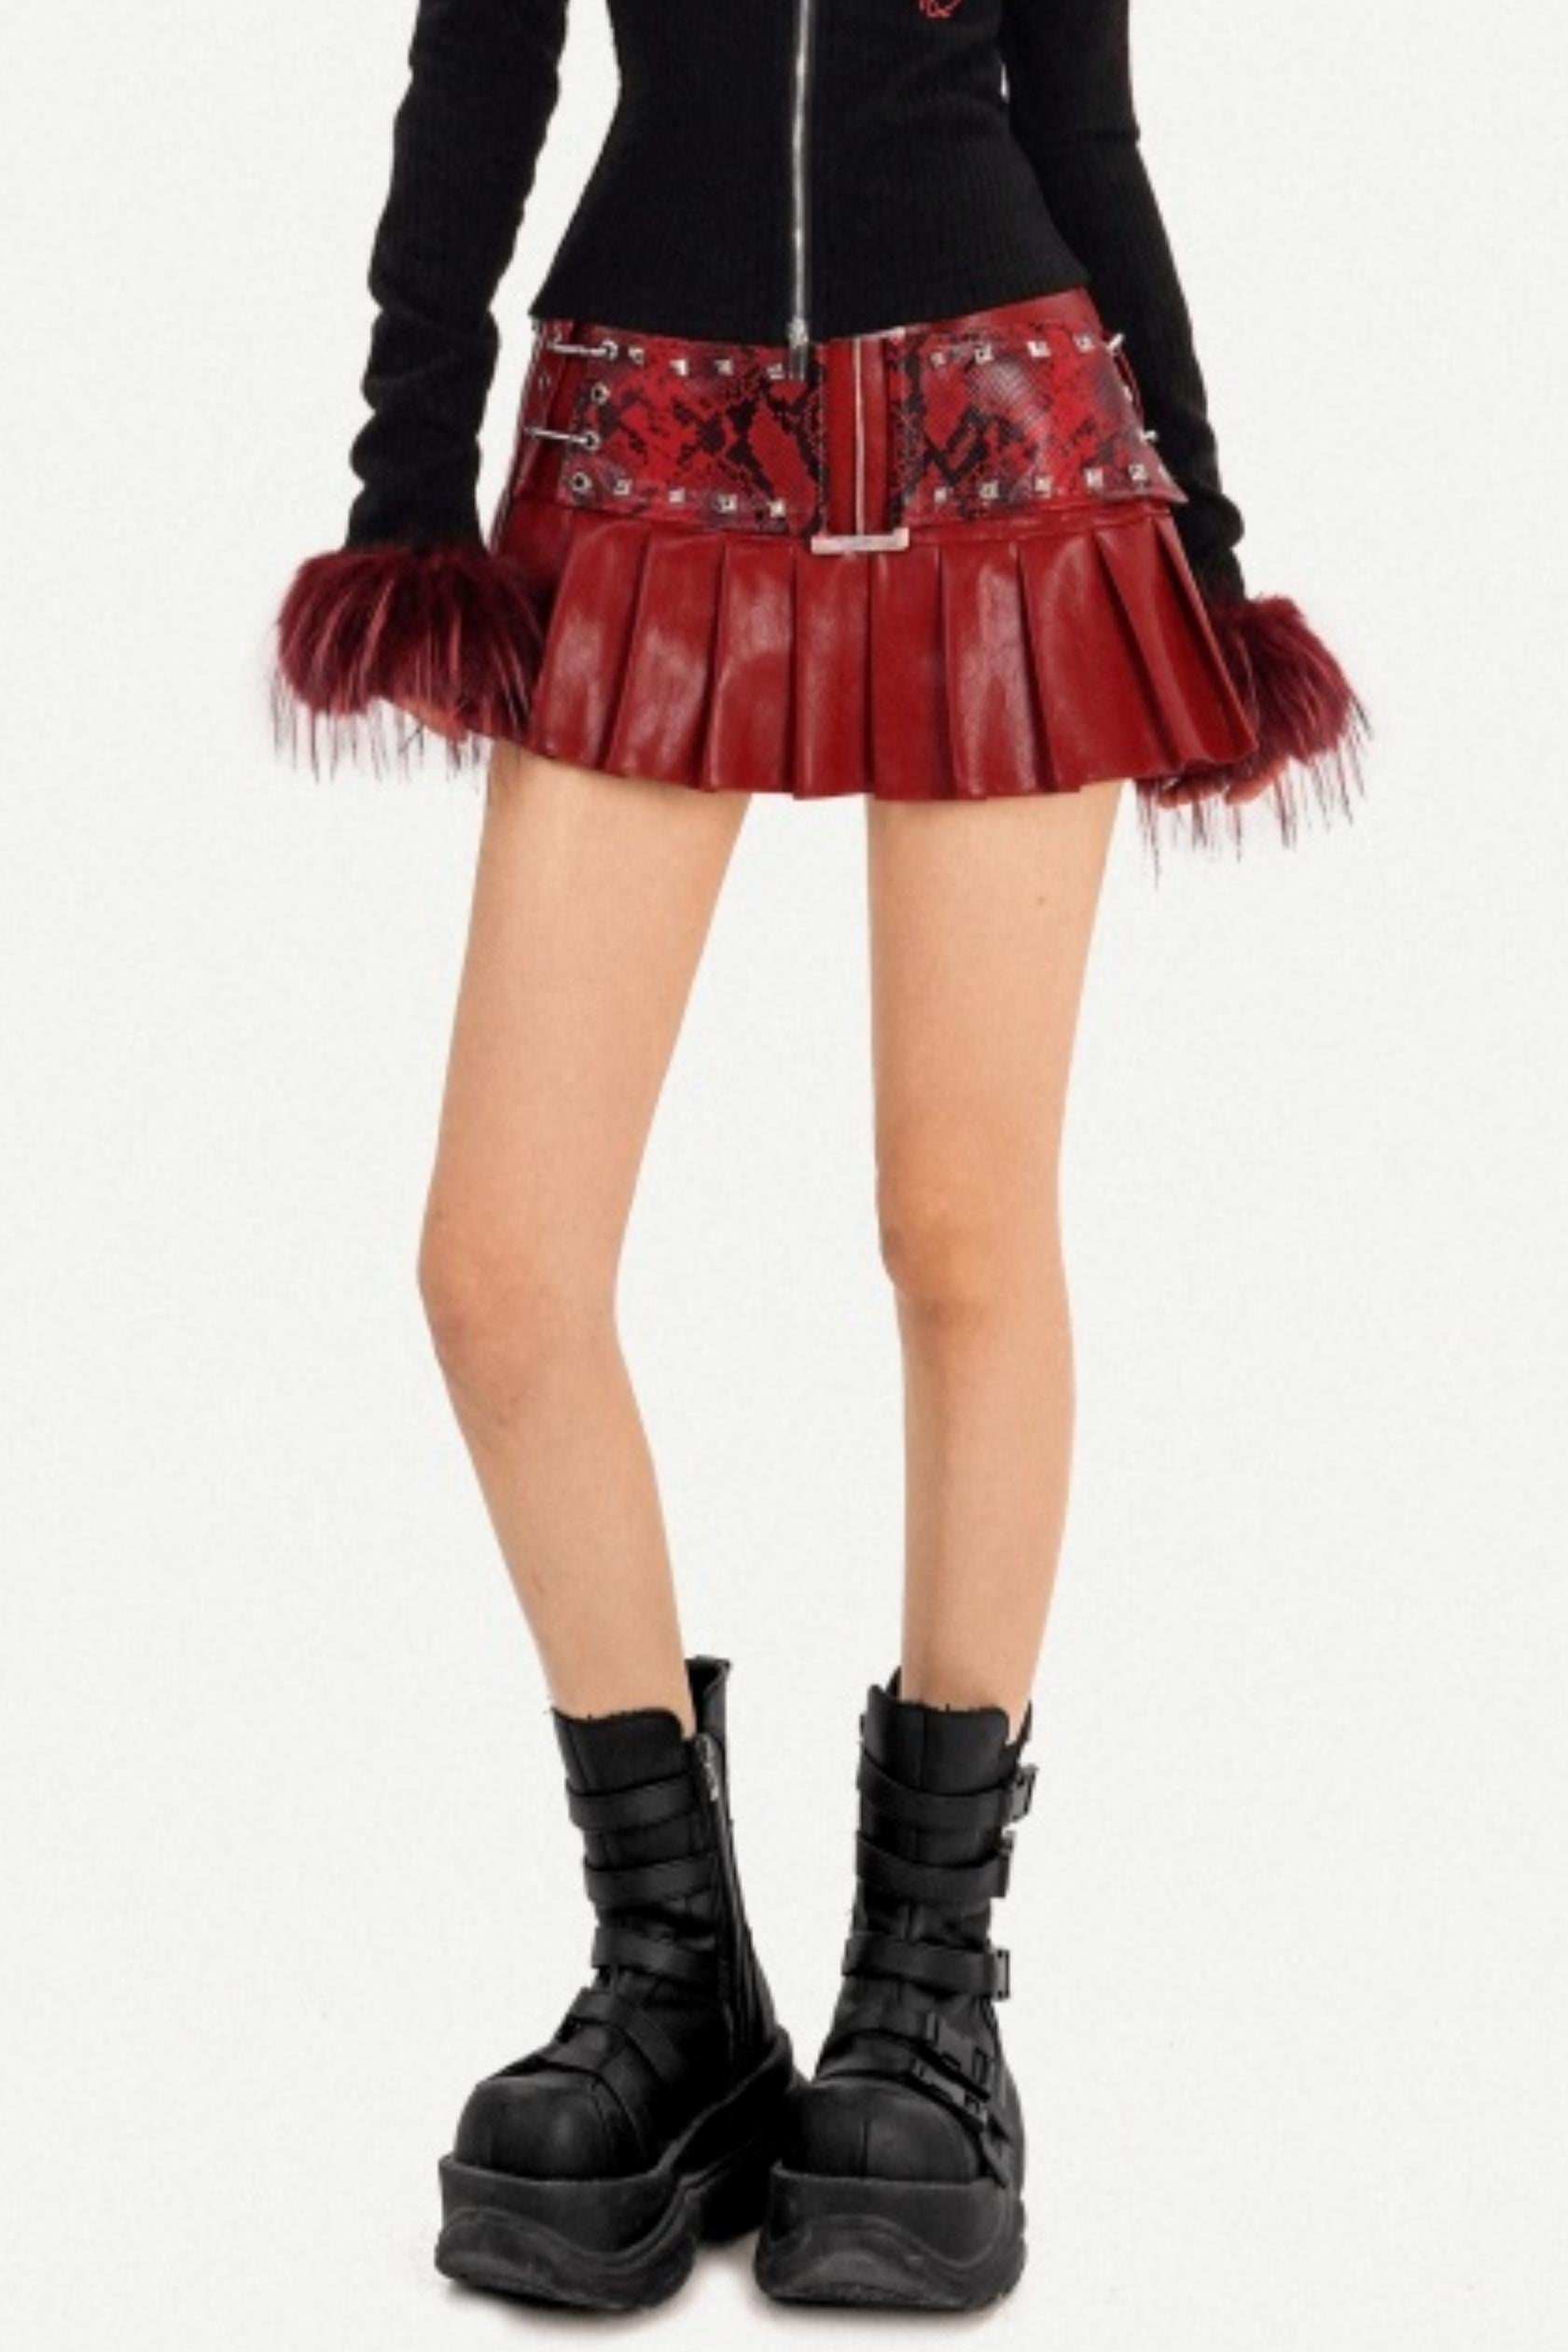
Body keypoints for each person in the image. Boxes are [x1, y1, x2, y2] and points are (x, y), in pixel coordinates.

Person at [271, 0, 1368, 2315]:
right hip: (645, 452)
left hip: (1005, 450)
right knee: (498, 1266)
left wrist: (1203, 531)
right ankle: (675, 1984)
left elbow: (1080, 120)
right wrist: (404, 483)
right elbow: (478, 72)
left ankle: (928, 2008)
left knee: (957, 1227)